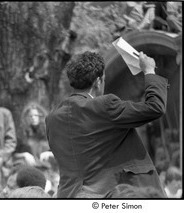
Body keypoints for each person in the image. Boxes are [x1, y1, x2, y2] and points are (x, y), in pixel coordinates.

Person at [45, 51, 169, 198]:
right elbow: (154, 107)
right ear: (98, 81)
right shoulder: (104, 106)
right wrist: (149, 71)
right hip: (114, 198)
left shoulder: (52, 118)